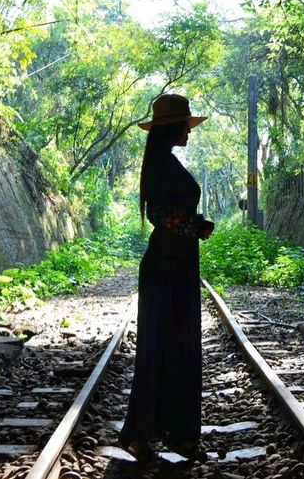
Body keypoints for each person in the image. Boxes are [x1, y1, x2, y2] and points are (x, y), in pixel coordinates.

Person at [119, 93, 214, 462]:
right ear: (171, 128)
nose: (189, 131)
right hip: (168, 265)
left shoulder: (161, 161)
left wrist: (191, 229)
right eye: (184, 125)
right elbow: (162, 214)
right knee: (170, 345)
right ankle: (164, 435)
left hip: (173, 263)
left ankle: (161, 435)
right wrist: (197, 226)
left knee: (170, 345)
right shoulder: (161, 164)